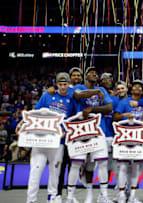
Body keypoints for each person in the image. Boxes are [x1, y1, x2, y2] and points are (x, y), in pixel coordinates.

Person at [17, 72, 76, 203]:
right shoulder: (47, 95)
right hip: (41, 139)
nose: (62, 87)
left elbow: (71, 120)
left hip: (58, 141)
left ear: (68, 84)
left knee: (55, 171)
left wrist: (66, 131)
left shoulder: (72, 98)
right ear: (56, 84)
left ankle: (52, 197)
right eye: (60, 84)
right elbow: (34, 112)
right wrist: (22, 123)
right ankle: (31, 199)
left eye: (65, 84)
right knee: (35, 171)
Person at [66, 66, 113, 203]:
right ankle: (70, 196)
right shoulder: (78, 87)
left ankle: (102, 195)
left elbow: (109, 107)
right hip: (80, 131)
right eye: (91, 72)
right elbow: (78, 96)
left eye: (95, 73)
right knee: (76, 164)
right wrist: (95, 91)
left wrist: (93, 108)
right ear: (85, 76)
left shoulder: (102, 90)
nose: (94, 74)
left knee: (102, 163)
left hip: (99, 131)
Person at [113, 79, 143, 203]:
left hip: (140, 139)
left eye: (140, 87)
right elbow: (115, 117)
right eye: (135, 87)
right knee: (122, 167)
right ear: (130, 89)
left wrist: (140, 102)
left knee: (136, 168)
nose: (137, 89)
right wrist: (125, 115)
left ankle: (133, 195)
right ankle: (122, 194)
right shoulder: (124, 102)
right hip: (124, 138)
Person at [57, 67, 83, 201]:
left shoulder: (83, 90)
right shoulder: (67, 91)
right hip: (64, 134)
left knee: (74, 166)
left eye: (79, 75)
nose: (77, 77)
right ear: (69, 78)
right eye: (74, 75)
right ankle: (58, 194)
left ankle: (70, 195)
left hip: (77, 134)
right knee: (61, 166)